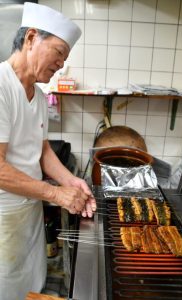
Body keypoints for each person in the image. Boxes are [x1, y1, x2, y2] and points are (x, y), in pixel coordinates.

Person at [0, 2, 96, 300]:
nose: (61, 64)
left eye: (65, 58)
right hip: (3, 216)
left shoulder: (39, 96)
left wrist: (70, 181)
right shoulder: (2, 87)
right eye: (58, 53)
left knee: (30, 282)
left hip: (28, 210)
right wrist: (55, 194)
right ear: (31, 38)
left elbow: (42, 151)